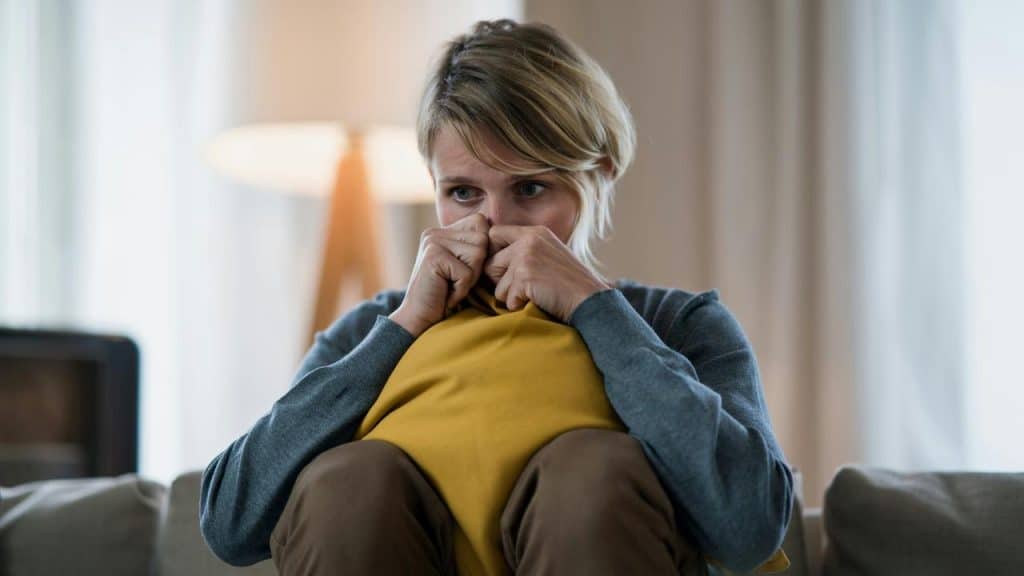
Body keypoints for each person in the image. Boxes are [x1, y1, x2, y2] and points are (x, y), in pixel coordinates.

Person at [199, 19, 793, 576]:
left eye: (530, 188)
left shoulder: (679, 325)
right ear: (433, 185)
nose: (494, 224)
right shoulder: (370, 330)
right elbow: (229, 522)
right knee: (349, 482)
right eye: (463, 193)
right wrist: (403, 327)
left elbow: (750, 524)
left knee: (590, 473)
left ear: (601, 174)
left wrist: (594, 308)